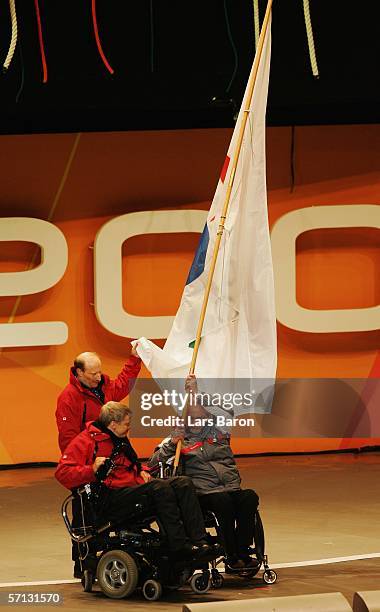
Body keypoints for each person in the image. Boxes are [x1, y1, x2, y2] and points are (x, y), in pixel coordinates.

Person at [55, 401, 219, 566]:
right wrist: (91, 469)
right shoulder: (86, 441)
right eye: (126, 424)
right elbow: (62, 473)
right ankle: (178, 546)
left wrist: (143, 470)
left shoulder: (118, 438)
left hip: (130, 489)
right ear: (113, 424)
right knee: (159, 489)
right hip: (109, 498)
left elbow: (129, 464)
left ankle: (199, 541)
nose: (129, 428)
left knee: (183, 483)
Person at [149, 374, 260, 571]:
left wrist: (195, 391)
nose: (199, 420)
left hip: (230, 486)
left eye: (202, 415)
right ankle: (231, 554)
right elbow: (153, 463)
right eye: (194, 417)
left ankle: (243, 549)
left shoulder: (219, 431)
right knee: (223, 502)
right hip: (205, 493)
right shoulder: (178, 438)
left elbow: (227, 408)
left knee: (250, 497)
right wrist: (171, 445)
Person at [56, 349, 141, 453]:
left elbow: (123, 384)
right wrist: (78, 463)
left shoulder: (105, 386)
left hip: (112, 449)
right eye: (93, 374)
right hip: (90, 454)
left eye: (99, 372)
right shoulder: (68, 398)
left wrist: (135, 359)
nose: (98, 378)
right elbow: (68, 436)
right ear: (80, 372)